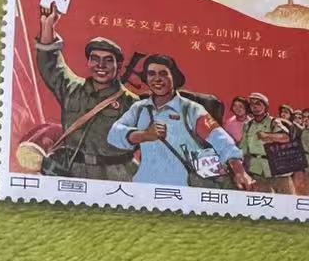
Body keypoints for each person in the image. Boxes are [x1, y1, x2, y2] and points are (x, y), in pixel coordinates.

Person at [108, 55, 253, 189]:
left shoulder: (191, 110)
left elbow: (222, 140)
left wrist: (239, 171)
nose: (157, 79)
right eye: (151, 74)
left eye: (163, 74)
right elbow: (113, 133)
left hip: (184, 188)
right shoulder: (139, 108)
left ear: (174, 77)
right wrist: (144, 135)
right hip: (145, 185)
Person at [33, 0, 137, 181]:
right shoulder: (72, 89)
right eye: (95, 59)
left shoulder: (132, 103)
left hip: (117, 174)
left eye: (108, 60)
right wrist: (47, 25)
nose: (100, 65)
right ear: (88, 62)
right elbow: (50, 62)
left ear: (119, 66)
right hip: (72, 171)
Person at [238, 92, 295, 194]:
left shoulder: (274, 122)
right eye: (252, 104)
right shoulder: (248, 125)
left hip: (277, 168)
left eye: (258, 104)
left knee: (286, 198)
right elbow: (243, 148)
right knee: (263, 199)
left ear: (265, 106)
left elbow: (287, 137)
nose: (255, 107)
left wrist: (268, 136)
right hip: (257, 170)